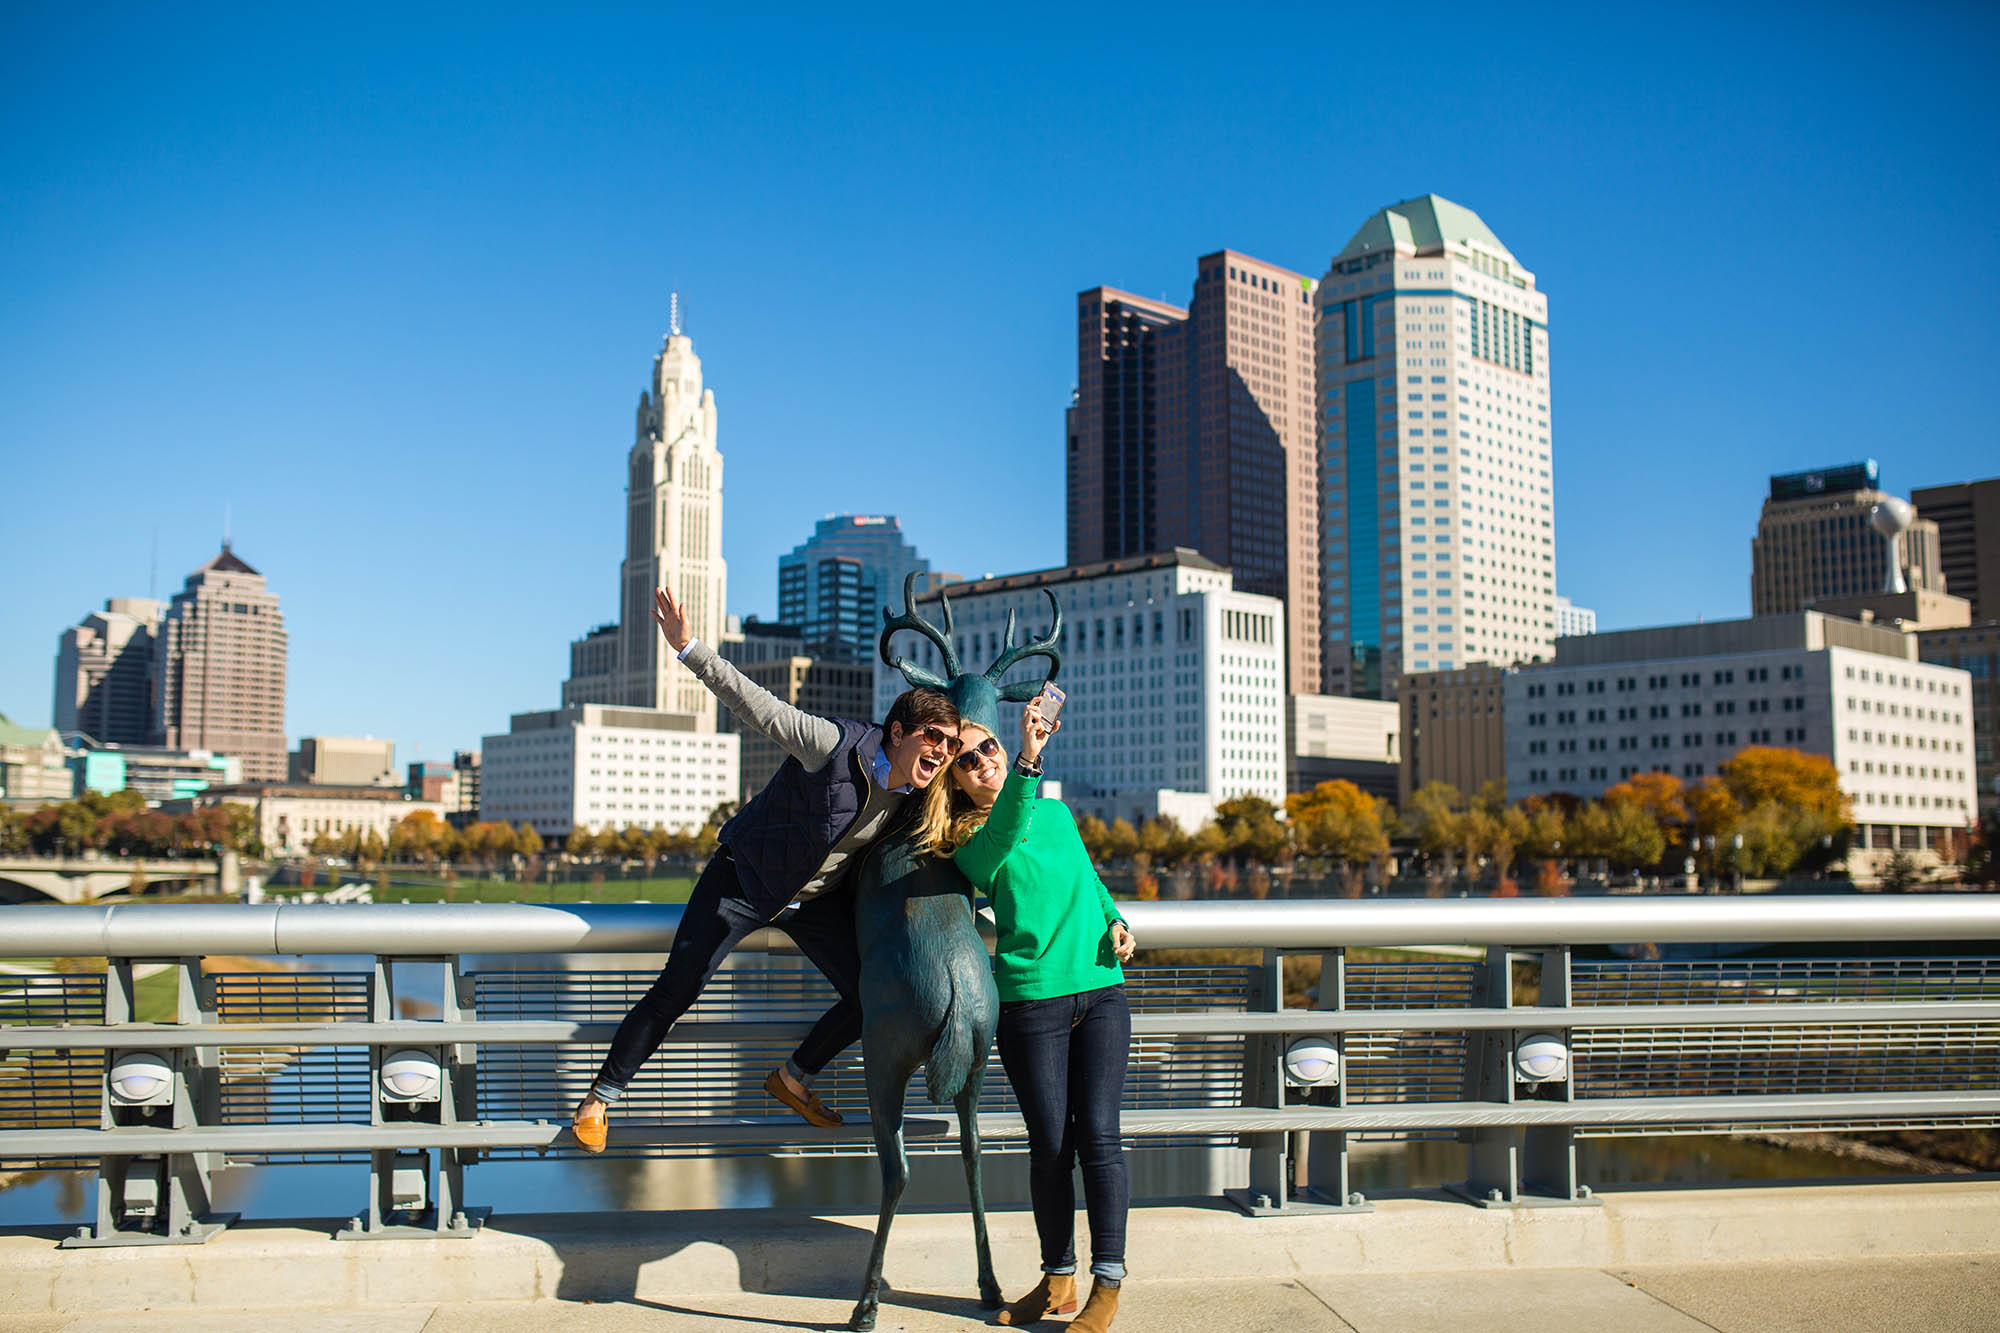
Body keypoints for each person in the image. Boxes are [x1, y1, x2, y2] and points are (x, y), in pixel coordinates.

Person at [570, 584, 963, 1152]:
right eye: (935, 738)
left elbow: (980, 793)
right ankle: (599, 1098)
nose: (944, 752)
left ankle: (792, 1079)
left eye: (951, 745)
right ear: (898, 732)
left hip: (812, 901)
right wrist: (688, 648)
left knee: (871, 993)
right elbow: (756, 705)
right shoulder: (832, 745)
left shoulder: (921, 793)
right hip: (743, 880)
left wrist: (1028, 753)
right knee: (680, 988)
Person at [935, 694, 1135, 1333]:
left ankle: (1108, 1282)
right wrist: (1027, 758)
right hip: (1030, 1004)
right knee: (1049, 1147)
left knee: (1099, 1138)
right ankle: (1058, 1278)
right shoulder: (967, 842)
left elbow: (1089, 880)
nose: (981, 762)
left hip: (1101, 992)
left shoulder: (1057, 812)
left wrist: (1117, 920)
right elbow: (1003, 834)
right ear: (955, 781)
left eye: (987, 748)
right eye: (966, 761)